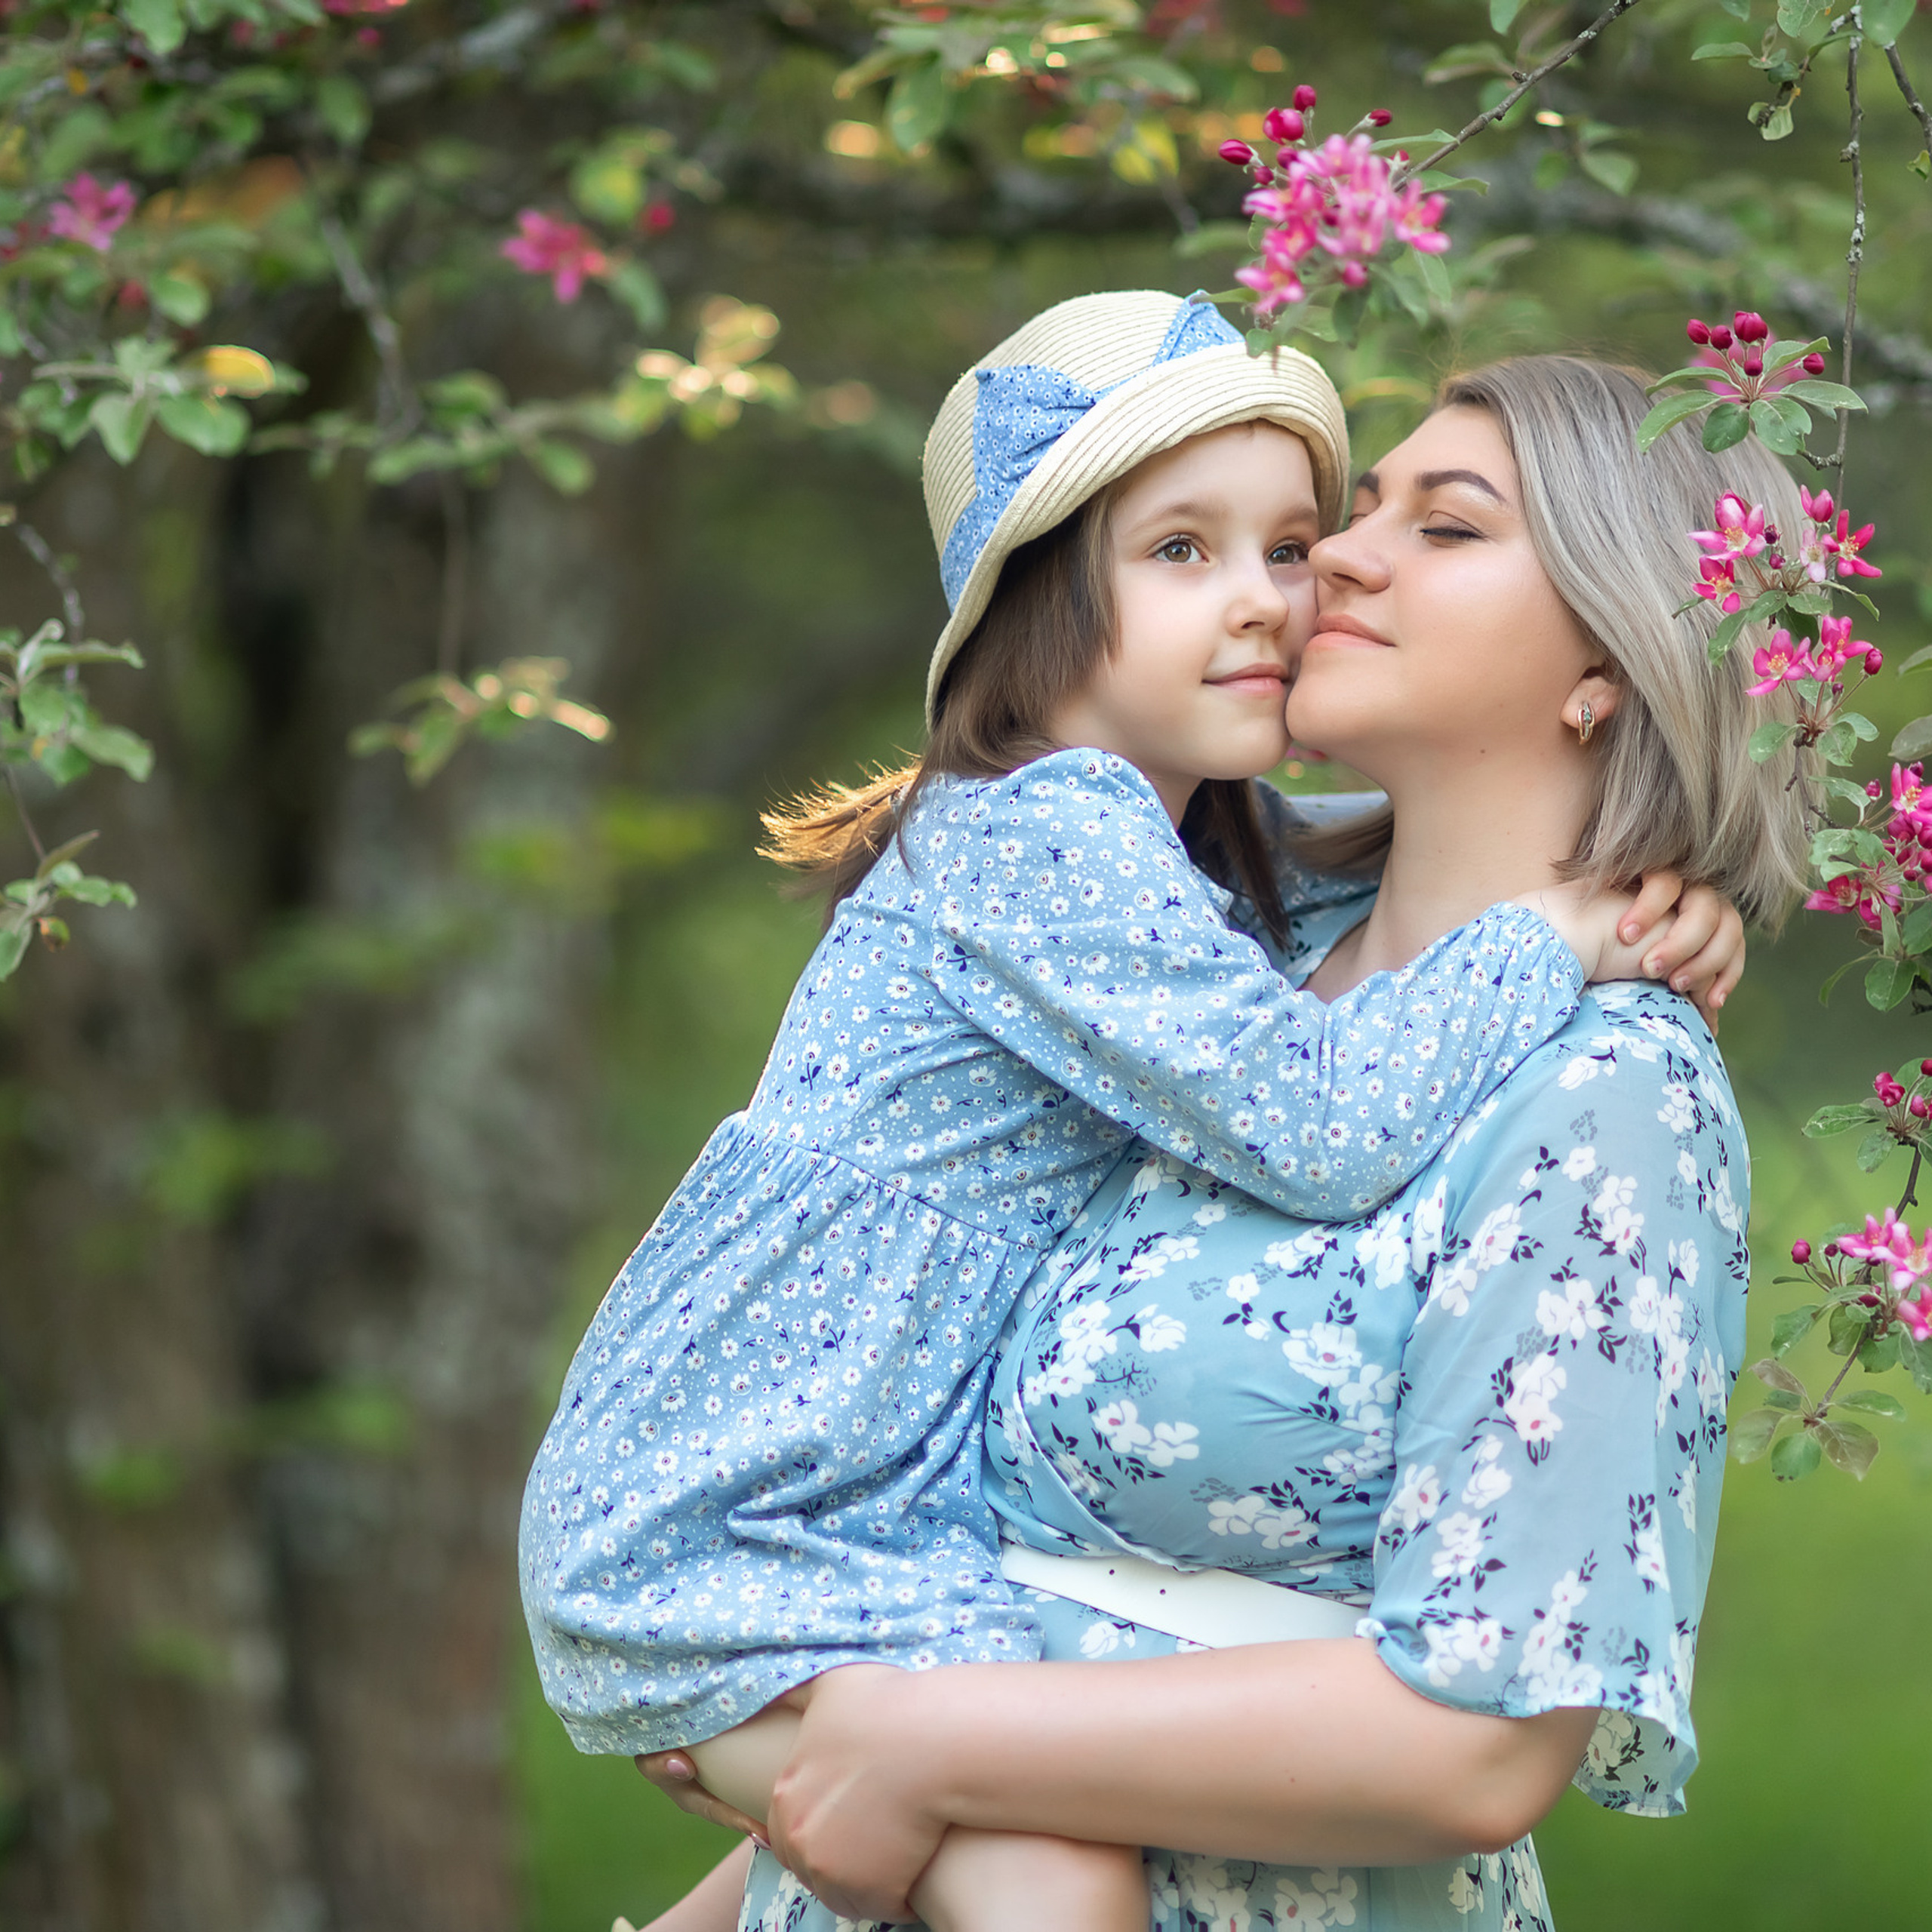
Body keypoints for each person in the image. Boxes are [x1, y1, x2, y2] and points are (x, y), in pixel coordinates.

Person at [523, 294, 1743, 1932]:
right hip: (855, 1688)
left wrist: (907, 1736)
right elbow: (996, 1633)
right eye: (1345, 513)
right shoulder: (1235, 954)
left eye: (1420, 525)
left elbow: (1473, 1737)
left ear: (1609, 656)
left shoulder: (1596, 1085)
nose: (1325, 571)